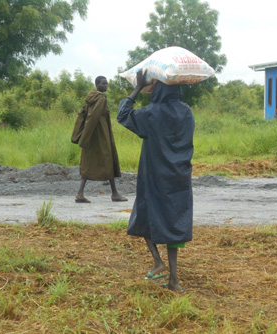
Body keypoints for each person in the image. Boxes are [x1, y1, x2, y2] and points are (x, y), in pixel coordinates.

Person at [117, 70, 195, 292]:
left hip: (155, 175)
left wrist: (137, 88)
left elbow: (123, 115)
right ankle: (174, 279)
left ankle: (157, 261)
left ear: (158, 89)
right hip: (179, 176)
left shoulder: (153, 112)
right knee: (175, 220)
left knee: (145, 215)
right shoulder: (187, 112)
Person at [75, 76, 127, 203]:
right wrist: (85, 138)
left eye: (107, 84)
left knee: (88, 161)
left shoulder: (90, 98)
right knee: (108, 159)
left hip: (91, 136)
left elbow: (84, 115)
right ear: (97, 84)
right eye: (103, 84)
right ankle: (114, 194)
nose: (106, 86)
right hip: (101, 136)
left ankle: (80, 193)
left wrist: (85, 137)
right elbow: (93, 117)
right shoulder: (101, 98)